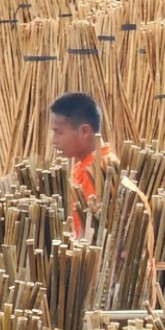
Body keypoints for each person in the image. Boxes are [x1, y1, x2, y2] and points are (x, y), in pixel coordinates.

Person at [49, 92, 117, 240]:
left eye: (59, 132)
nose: (53, 140)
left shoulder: (100, 173)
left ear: (84, 131)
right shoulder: (84, 167)